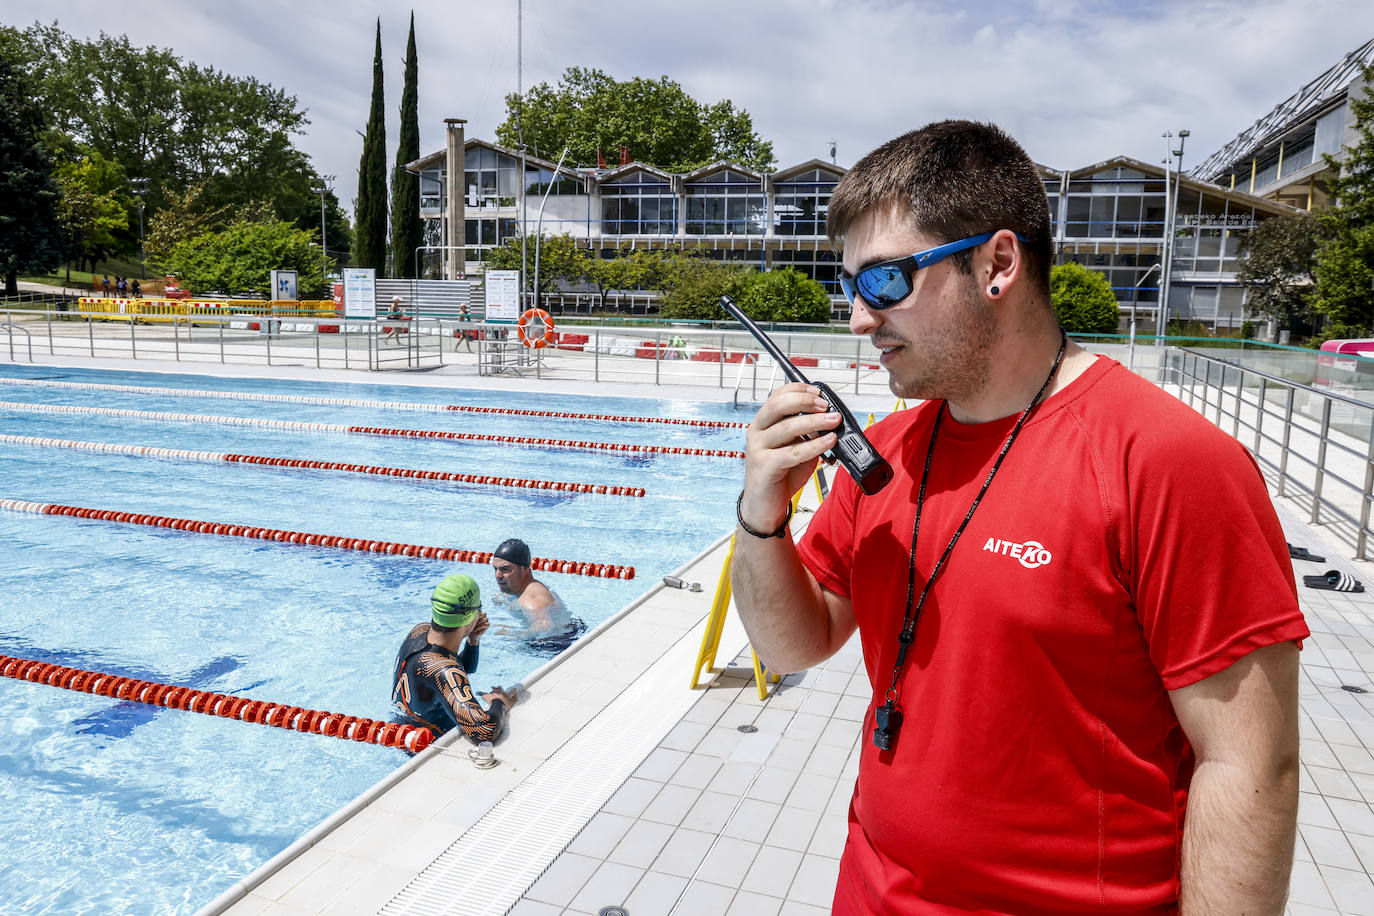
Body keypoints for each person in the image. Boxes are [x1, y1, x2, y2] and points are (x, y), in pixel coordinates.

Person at [732, 120, 1309, 915]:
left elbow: (1249, 769)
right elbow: (794, 641)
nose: (859, 318)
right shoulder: (892, 452)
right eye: (850, 286)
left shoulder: (1168, 462)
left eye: (885, 282)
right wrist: (762, 516)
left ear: (997, 264)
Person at [391, 573, 516, 741]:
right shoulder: (441, 668)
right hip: (429, 746)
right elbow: (484, 731)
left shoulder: (419, 631)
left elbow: (460, 669)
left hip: (403, 731)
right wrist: (499, 702)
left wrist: (473, 640)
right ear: (471, 616)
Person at [489, 538, 585, 653]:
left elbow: (544, 625)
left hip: (554, 645)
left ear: (525, 570)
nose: (498, 575)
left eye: (505, 569)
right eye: (495, 569)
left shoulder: (532, 598)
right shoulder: (526, 587)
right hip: (566, 632)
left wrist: (513, 634)